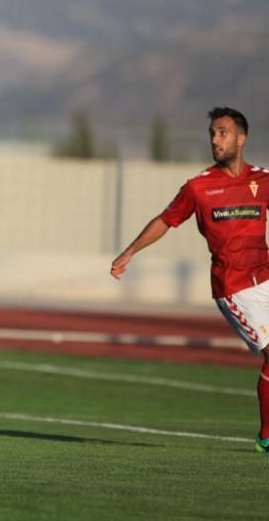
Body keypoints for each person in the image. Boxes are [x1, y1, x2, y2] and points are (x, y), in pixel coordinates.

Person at [110, 106, 269, 454]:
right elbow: (165, 220)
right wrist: (130, 251)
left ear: (241, 139)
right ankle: (267, 437)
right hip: (234, 288)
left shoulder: (263, 179)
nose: (215, 139)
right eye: (212, 132)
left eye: (223, 132)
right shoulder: (198, 187)